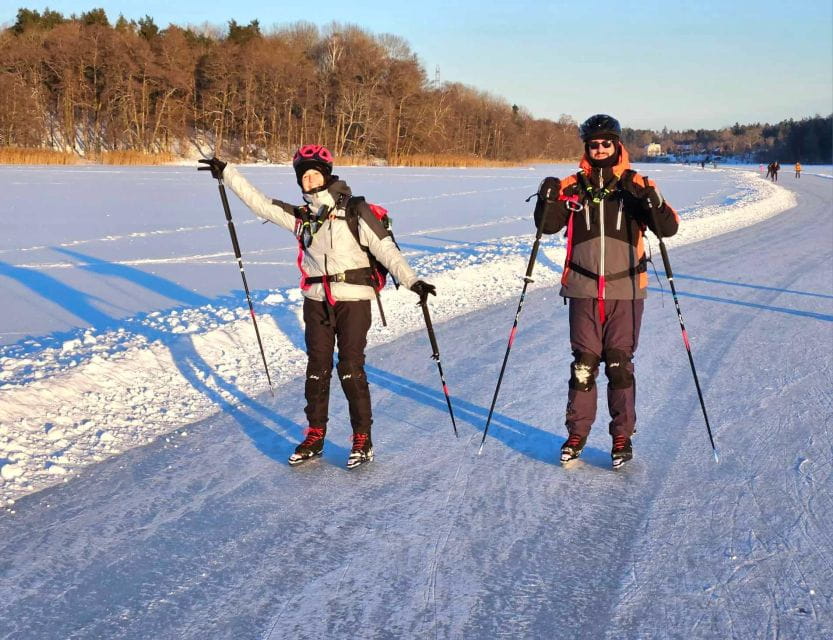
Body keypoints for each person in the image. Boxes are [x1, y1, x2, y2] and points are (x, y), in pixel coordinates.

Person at [199, 146, 435, 469]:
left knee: (350, 367)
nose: (309, 181)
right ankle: (315, 434)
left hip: (353, 300)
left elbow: (385, 247)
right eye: (304, 177)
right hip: (315, 301)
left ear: (326, 175)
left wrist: (412, 281)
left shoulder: (354, 209)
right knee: (317, 368)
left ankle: (362, 438)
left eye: (314, 175)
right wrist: (227, 173)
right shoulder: (303, 217)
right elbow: (261, 204)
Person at [532, 114, 680, 469]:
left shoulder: (637, 182)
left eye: (606, 143)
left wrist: (649, 200)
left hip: (626, 289)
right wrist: (546, 198)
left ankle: (621, 436)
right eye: (593, 144)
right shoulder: (573, 185)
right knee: (583, 366)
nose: (599, 149)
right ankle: (576, 435)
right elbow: (547, 227)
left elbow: (668, 227)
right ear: (587, 147)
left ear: (617, 145)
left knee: (618, 364)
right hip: (582, 288)